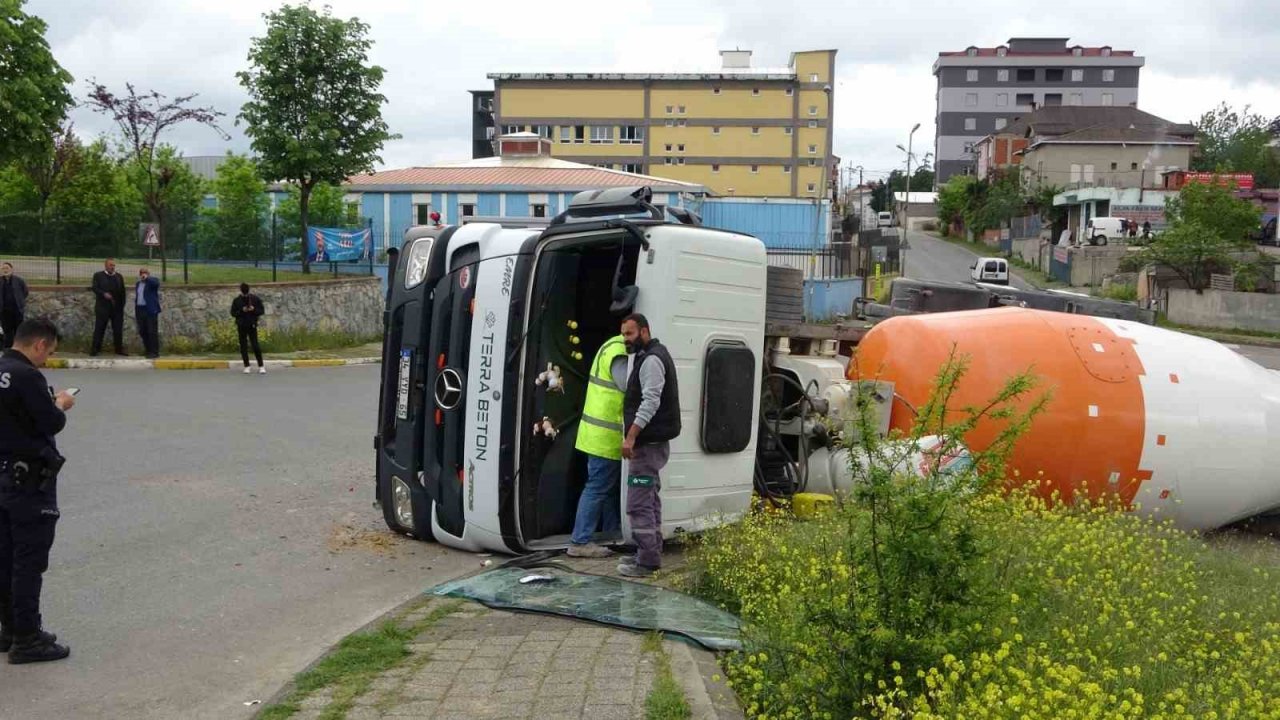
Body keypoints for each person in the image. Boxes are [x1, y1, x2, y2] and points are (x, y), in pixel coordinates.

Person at [0, 317, 74, 664]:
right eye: (50, 352)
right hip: (27, 481)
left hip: (2, 475)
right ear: (39, 344)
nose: (47, 359)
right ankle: (27, 640)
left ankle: (11, 629)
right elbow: (51, 421)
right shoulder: (28, 376)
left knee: (5, 558)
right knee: (28, 562)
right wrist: (60, 403)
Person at [616, 314, 681, 578]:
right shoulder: (650, 355)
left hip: (646, 446)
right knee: (650, 498)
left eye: (629, 334)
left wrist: (631, 437)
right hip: (652, 444)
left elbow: (650, 402)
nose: (625, 339)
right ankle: (649, 552)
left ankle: (647, 562)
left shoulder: (652, 360)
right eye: (623, 334)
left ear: (644, 331)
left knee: (639, 502)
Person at [567, 334, 628, 558]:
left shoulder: (610, 345)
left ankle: (613, 532)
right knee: (598, 487)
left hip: (597, 434)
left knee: (607, 489)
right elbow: (627, 385)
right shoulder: (619, 351)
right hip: (605, 436)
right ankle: (580, 541)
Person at [90, 258, 127, 356]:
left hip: (117, 309)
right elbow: (95, 288)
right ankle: (95, 349)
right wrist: (103, 294)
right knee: (99, 328)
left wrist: (121, 306)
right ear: (106, 265)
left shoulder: (119, 276)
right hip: (103, 308)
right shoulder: (98, 275)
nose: (112, 267)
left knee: (118, 329)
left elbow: (123, 292)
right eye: (111, 265)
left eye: (114, 265)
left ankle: (119, 349)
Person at [231, 283, 266, 374]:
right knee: (243, 346)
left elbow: (261, 311)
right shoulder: (237, 300)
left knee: (255, 345)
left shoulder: (255, 299)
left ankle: (261, 366)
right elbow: (233, 313)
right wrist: (242, 310)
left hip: (252, 324)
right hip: (241, 325)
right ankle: (247, 366)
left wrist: (253, 309)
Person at [134, 268, 161, 359]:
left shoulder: (152, 281)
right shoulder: (138, 284)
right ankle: (148, 350)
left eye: (145, 273)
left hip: (150, 310)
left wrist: (147, 278)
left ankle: (154, 352)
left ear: (148, 274)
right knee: (142, 330)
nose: (143, 274)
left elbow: (156, 284)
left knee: (151, 331)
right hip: (140, 309)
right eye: (141, 273)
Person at [0, 263, 29, 351]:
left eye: (7, 268)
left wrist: (20, 302)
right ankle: (8, 349)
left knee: (19, 330)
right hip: (4, 311)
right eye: (3, 268)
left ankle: (19, 348)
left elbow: (25, 292)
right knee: (7, 330)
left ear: (11, 269)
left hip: (17, 310)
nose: (5, 270)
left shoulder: (18, 281)